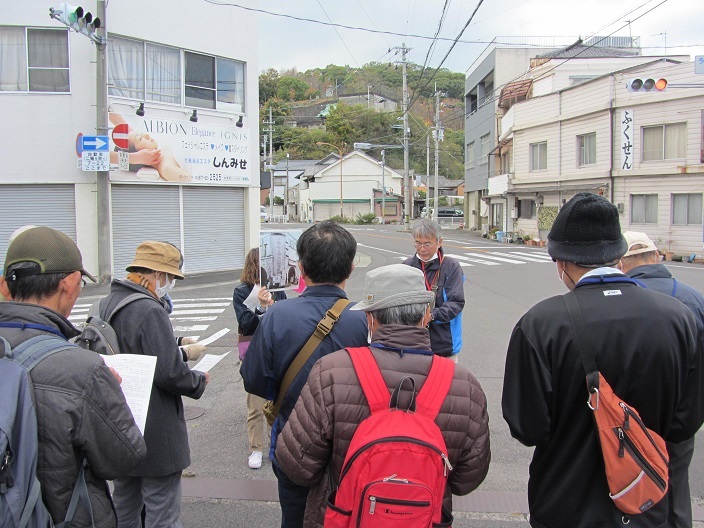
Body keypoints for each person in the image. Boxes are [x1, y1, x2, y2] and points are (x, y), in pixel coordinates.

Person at [502, 193, 704, 527]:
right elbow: (684, 423)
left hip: (564, 503)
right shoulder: (679, 319)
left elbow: (527, 427)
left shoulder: (540, 325)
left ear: (561, 262)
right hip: (645, 500)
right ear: (620, 255)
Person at [276, 264, 491, 527]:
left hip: (344, 518)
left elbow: (297, 466)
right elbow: (466, 479)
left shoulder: (332, 372)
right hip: (424, 520)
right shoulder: (463, 385)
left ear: (370, 319)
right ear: (425, 316)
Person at [0, 226, 147, 527]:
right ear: (69, 284)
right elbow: (125, 457)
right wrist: (110, 395)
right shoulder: (84, 369)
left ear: (5, 286)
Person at [240, 220, 368, 528]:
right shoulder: (364, 320)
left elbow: (254, 380)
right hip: (351, 447)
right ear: (350, 269)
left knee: (294, 516)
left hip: (292, 443)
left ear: (300, 267)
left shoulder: (276, 316)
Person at [105, 241, 209, 528]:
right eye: (170, 277)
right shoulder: (150, 310)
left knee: (124, 506)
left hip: (120, 422)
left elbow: (136, 346)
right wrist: (198, 381)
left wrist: (177, 343)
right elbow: (170, 372)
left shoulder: (107, 303)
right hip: (156, 430)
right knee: (162, 512)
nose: (170, 283)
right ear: (153, 274)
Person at [619, 231, 704, 528]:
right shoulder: (695, 299)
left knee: (633, 488)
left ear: (621, 263)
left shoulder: (622, 301)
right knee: (676, 488)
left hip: (631, 420)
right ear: (657, 257)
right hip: (682, 420)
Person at [233, 247, 286, 470]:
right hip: (254, 352)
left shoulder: (278, 289)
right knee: (255, 404)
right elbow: (245, 322)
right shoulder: (241, 291)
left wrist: (272, 305)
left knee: (277, 404)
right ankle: (255, 449)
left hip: (276, 350)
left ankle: (275, 446)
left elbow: (284, 316)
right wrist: (260, 306)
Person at [403, 219, 465, 360]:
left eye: (427, 244)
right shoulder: (407, 266)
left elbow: (456, 303)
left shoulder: (451, 266)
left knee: (446, 381)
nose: (422, 249)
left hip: (444, 344)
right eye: (418, 243)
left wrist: (431, 316)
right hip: (412, 343)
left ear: (439, 242)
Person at [109, 113, 192, 182]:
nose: (147, 135)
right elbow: (191, 179)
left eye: (141, 134)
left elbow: (113, 114)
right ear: (140, 155)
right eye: (140, 138)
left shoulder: (165, 149)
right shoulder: (166, 167)